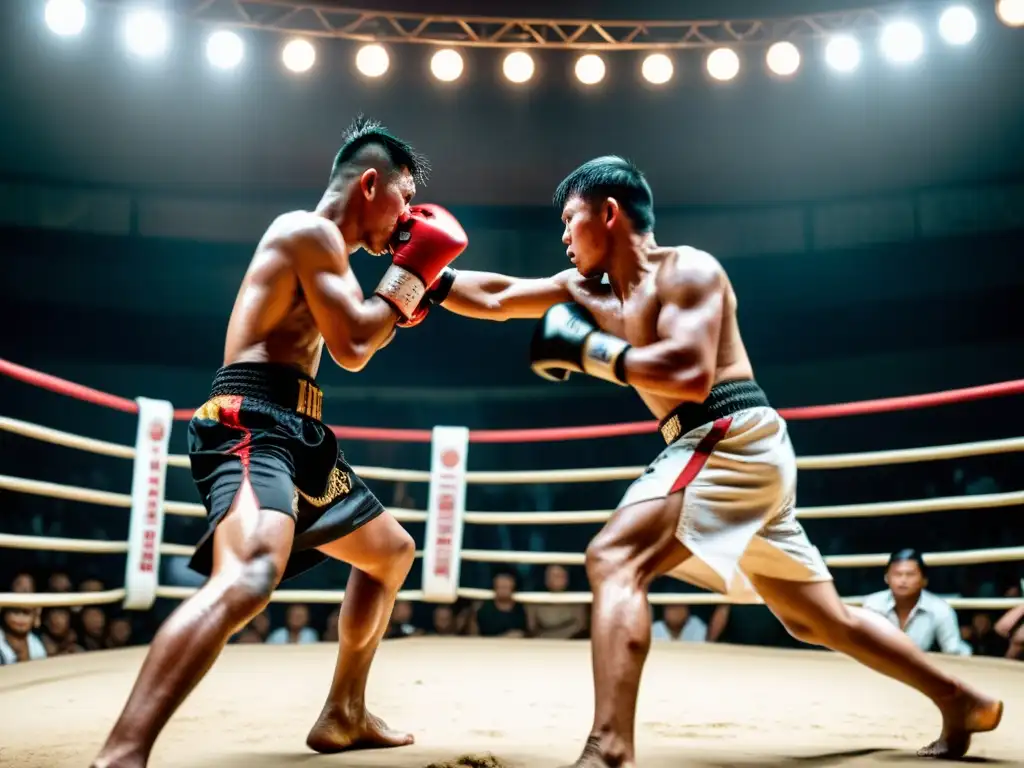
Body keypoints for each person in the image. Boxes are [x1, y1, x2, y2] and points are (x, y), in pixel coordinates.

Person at [423, 155, 1003, 765]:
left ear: (610, 213)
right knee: (818, 620)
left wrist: (590, 351)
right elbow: (496, 295)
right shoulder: (584, 290)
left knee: (614, 557)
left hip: (728, 433)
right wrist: (418, 274)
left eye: (571, 220)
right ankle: (959, 698)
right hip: (721, 448)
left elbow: (692, 373)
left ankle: (609, 747)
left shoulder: (688, 270)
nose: (563, 237)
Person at [91, 116, 468, 768]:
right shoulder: (309, 231)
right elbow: (353, 347)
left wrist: (406, 292)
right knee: (250, 576)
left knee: (390, 554)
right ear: (371, 183)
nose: (408, 221)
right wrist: (408, 279)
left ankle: (344, 711)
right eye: (405, 200)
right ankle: (121, 755)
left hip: (300, 434)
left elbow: (358, 336)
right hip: (250, 422)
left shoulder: (333, 256)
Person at [862, 549, 972, 655]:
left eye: (910, 574)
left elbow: (954, 651)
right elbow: (862, 645)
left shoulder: (940, 609)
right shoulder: (873, 604)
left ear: (924, 580)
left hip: (919, 668)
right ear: (886, 578)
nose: (903, 580)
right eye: (897, 574)